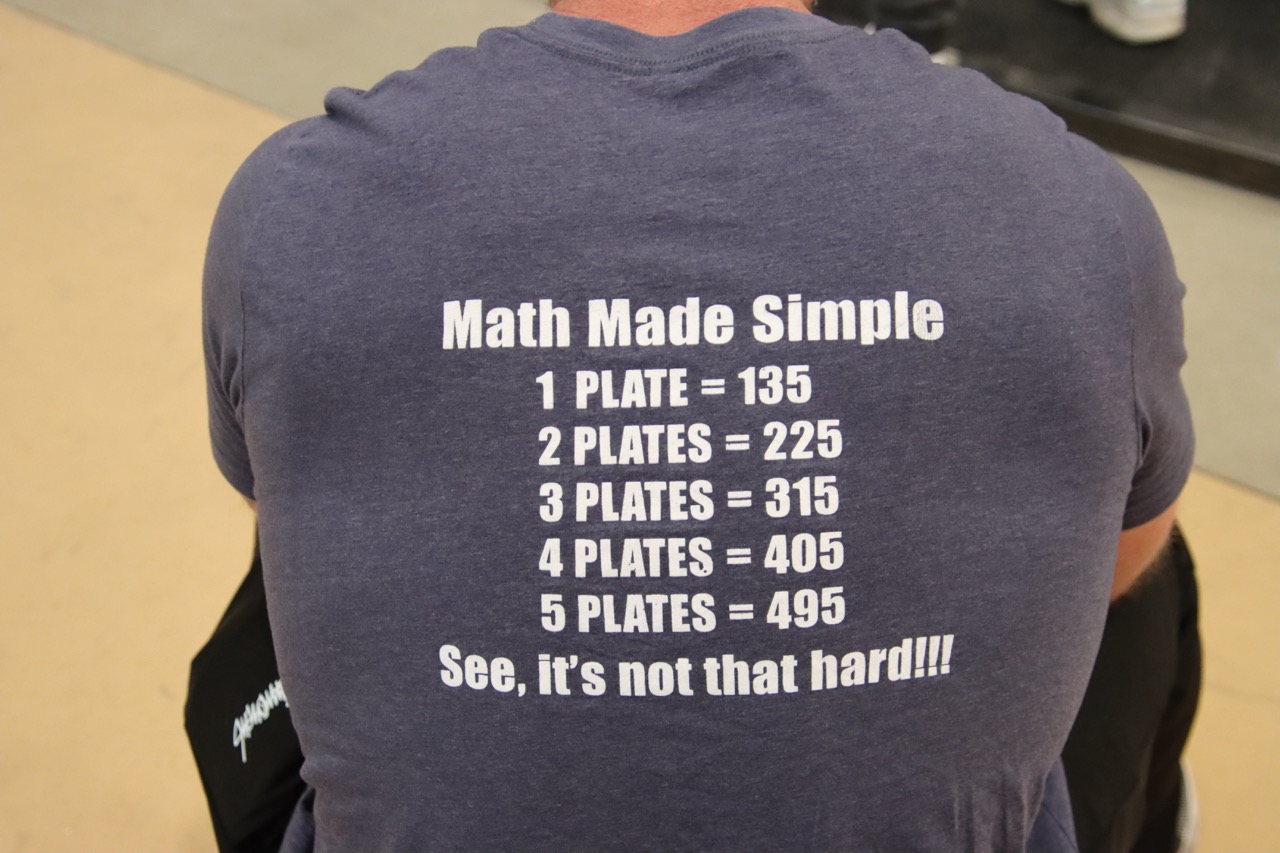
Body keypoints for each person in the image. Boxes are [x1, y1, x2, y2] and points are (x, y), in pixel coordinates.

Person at [202, 1, 1194, 850]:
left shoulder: (294, 208)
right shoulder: (1077, 209)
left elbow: (288, 511)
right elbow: (1112, 564)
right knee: (1139, 526)